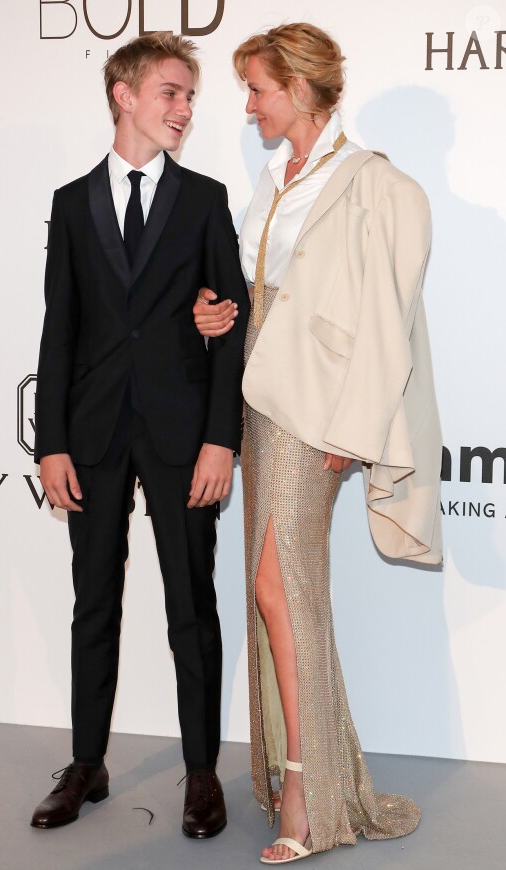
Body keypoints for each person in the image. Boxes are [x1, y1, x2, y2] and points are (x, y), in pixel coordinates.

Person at [193, 23, 442, 864]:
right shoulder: (273, 175)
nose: (251, 106)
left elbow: (388, 321)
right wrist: (213, 314)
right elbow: (255, 285)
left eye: (259, 89)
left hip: (316, 409)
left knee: (278, 584)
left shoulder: (379, 186)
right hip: (258, 397)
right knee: (280, 586)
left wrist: (357, 425)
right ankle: (302, 772)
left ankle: (309, 787)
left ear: (299, 90)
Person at [30, 32, 249, 839]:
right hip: (90, 436)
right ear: (124, 95)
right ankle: (86, 764)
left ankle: (200, 774)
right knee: (95, 602)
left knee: (191, 607)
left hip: (183, 434)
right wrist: (50, 440)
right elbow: (62, 327)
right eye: (171, 92)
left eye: (190, 97)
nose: (185, 109)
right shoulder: (71, 199)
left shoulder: (204, 199)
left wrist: (220, 438)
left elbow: (230, 322)